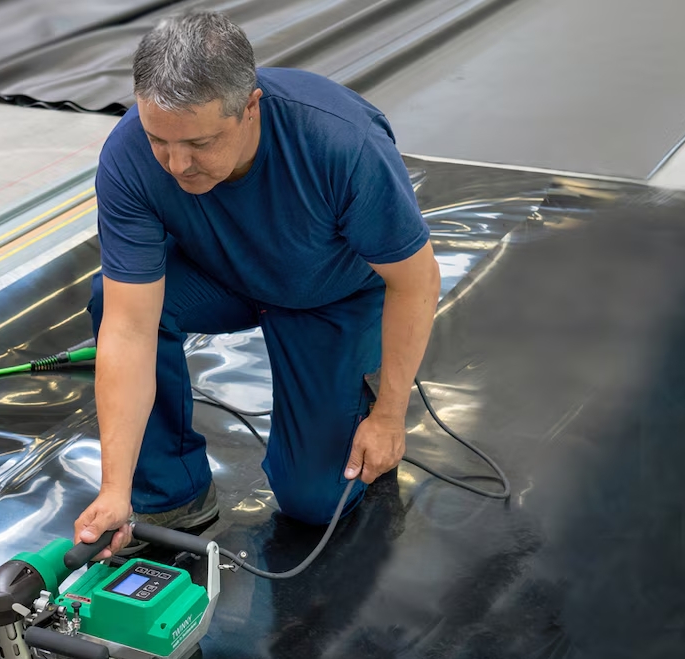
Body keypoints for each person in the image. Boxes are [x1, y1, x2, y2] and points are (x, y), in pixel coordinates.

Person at [73, 10, 439, 560]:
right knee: (113, 295)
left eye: (199, 143)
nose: (176, 164)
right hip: (225, 275)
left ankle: (354, 399)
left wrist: (389, 415)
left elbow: (415, 281)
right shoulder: (129, 156)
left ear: (250, 107)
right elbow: (129, 328)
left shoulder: (341, 143)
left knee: (314, 501)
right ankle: (173, 494)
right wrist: (114, 490)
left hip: (332, 296)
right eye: (158, 140)